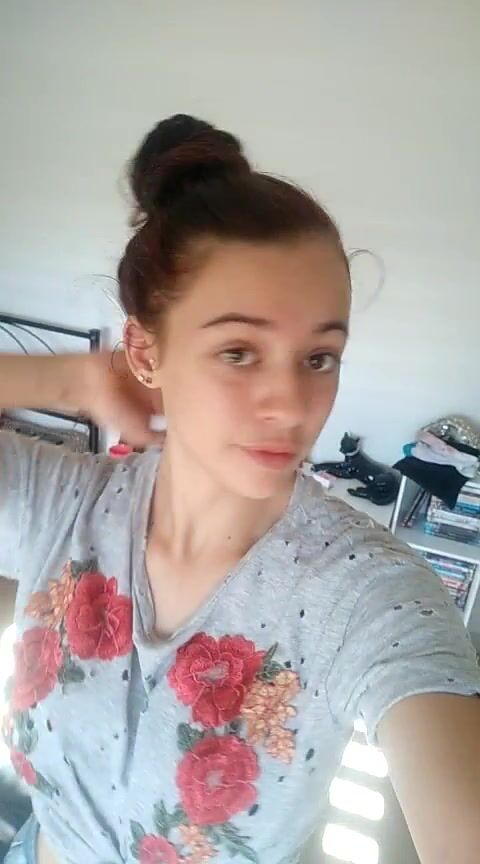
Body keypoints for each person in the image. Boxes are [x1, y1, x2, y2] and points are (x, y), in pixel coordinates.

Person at [0, 114, 479, 864]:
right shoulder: (61, 506)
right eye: (238, 351)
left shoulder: (367, 595)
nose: (291, 406)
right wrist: (73, 379)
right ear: (144, 350)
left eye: (319, 357)